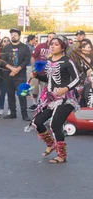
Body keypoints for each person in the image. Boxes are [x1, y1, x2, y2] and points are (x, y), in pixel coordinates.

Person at [31, 35, 81, 164]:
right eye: (51, 44)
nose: (52, 46)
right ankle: (51, 144)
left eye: (56, 44)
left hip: (66, 98)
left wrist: (66, 88)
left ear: (63, 47)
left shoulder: (67, 61)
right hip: (50, 97)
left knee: (55, 124)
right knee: (37, 122)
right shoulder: (48, 60)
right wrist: (37, 75)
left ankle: (62, 155)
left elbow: (77, 79)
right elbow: (49, 79)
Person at [0, 28, 31, 121]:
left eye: (15, 34)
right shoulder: (6, 47)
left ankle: (24, 114)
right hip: (8, 74)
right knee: (10, 94)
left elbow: (27, 60)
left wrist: (18, 69)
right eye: (12, 34)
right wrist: (12, 68)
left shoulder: (25, 47)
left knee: (22, 94)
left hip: (20, 74)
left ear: (19, 36)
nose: (13, 36)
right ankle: (12, 113)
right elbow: (3, 60)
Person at [30, 32, 56, 110]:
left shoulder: (55, 48)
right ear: (47, 38)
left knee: (45, 90)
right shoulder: (40, 46)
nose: (50, 38)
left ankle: (43, 103)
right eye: (49, 37)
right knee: (34, 88)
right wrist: (34, 67)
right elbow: (33, 57)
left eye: (52, 37)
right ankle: (35, 103)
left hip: (47, 73)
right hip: (37, 71)